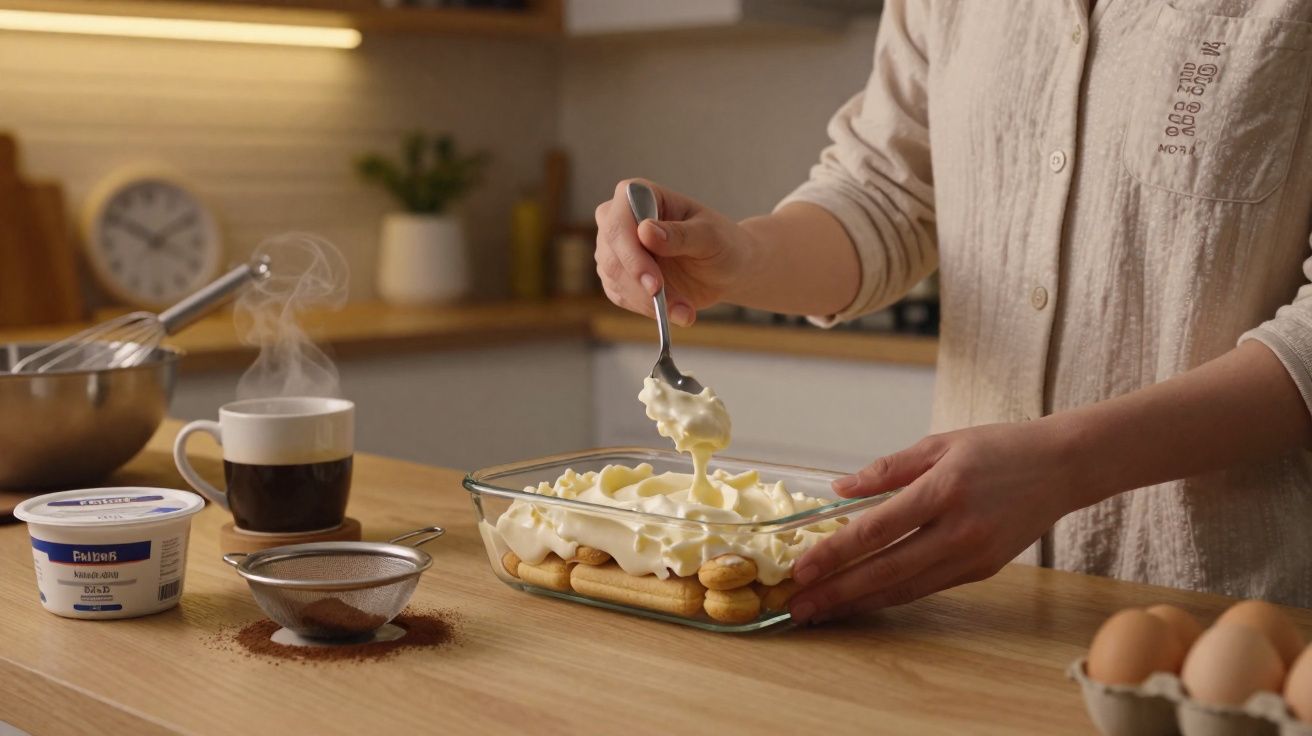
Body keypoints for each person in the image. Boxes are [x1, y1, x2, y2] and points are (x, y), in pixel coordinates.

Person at [592, 0, 1312, 623]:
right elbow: (884, 195)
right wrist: (744, 254)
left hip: (1238, 615)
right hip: (975, 616)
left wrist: (1067, 464)